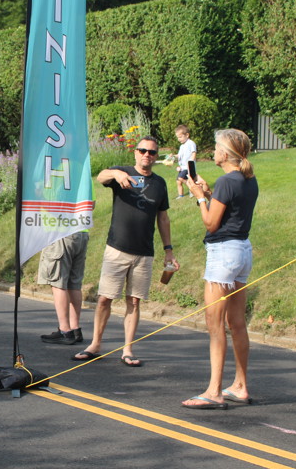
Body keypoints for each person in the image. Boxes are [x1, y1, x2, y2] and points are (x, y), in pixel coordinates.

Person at [72, 136, 177, 366]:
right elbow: (101, 176)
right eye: (143, 150)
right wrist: (116, 174)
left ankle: (128, 349)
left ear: (156, 156)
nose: (147, 155)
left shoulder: (159, 184)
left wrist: (168, 250)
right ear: (136, 152)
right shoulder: (123, 172)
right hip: (117, 248)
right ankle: (95, 344)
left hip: (144, 252)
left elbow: (163, 218)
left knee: (134, 301)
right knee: (104, 299)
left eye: (152, 152)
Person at [182, 128, 258, 410]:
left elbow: (211, 223)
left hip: (223, 253)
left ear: (225, 154)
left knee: (215, 325)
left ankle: (214, 390)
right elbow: (230, 210)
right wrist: (209, 193)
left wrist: (200, 197)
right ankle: (240, 385)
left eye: (215, 148)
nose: (213, 152)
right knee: (237, 323)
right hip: (242, 250)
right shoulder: (248, 178)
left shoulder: (227, 180)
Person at [38, 231, 90, 345]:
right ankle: (75, 329)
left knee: (58, 282)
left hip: (61, 234)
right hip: (81, 233)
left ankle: (65, 330)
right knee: (74, 284)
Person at [175, 124, 196, 199]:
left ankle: (193, 189)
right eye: (178, 137)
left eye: (180, 137)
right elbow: (179, 155)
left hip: (188, 167)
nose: (179, 139)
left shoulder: (191, 143)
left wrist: (191, 163)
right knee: (178, 181)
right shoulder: (182, 146)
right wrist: (173, 156)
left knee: (180, 178)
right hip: (182, 167)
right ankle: (181, 195)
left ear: (187, 135)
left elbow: (194, 153)